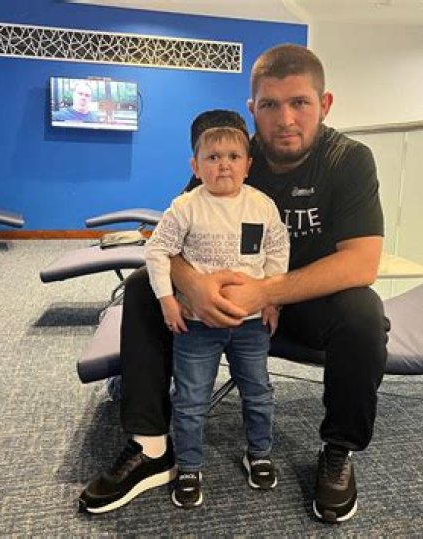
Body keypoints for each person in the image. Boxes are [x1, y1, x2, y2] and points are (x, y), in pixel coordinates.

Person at [79, 43, 387, 524]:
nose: (285, 119)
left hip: (295, 305)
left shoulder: (348, 160)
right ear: (252, 109)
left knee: (364, 312)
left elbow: (361, 264)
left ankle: (338, 450)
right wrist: (193, 286)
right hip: (214, 305)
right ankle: (151, 446)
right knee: (142, 287)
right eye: (270, 105)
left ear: (324, 105)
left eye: (299, 103)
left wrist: (266, 293)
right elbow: (170, 242)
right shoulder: (230, 151)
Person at [145, 113, 289, 508]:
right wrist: (167, 299)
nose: (223, 164)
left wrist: (272, 299)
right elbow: (158, 251)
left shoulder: (262, 205)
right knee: (191, 400)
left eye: (233, 156)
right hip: (196, 326)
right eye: (212, 157)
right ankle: (189, 466)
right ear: (195, 166)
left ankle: (259, 453)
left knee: (258, 393)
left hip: (250, 325)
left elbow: (277, 252)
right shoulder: (185, 207)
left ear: (248, 165)